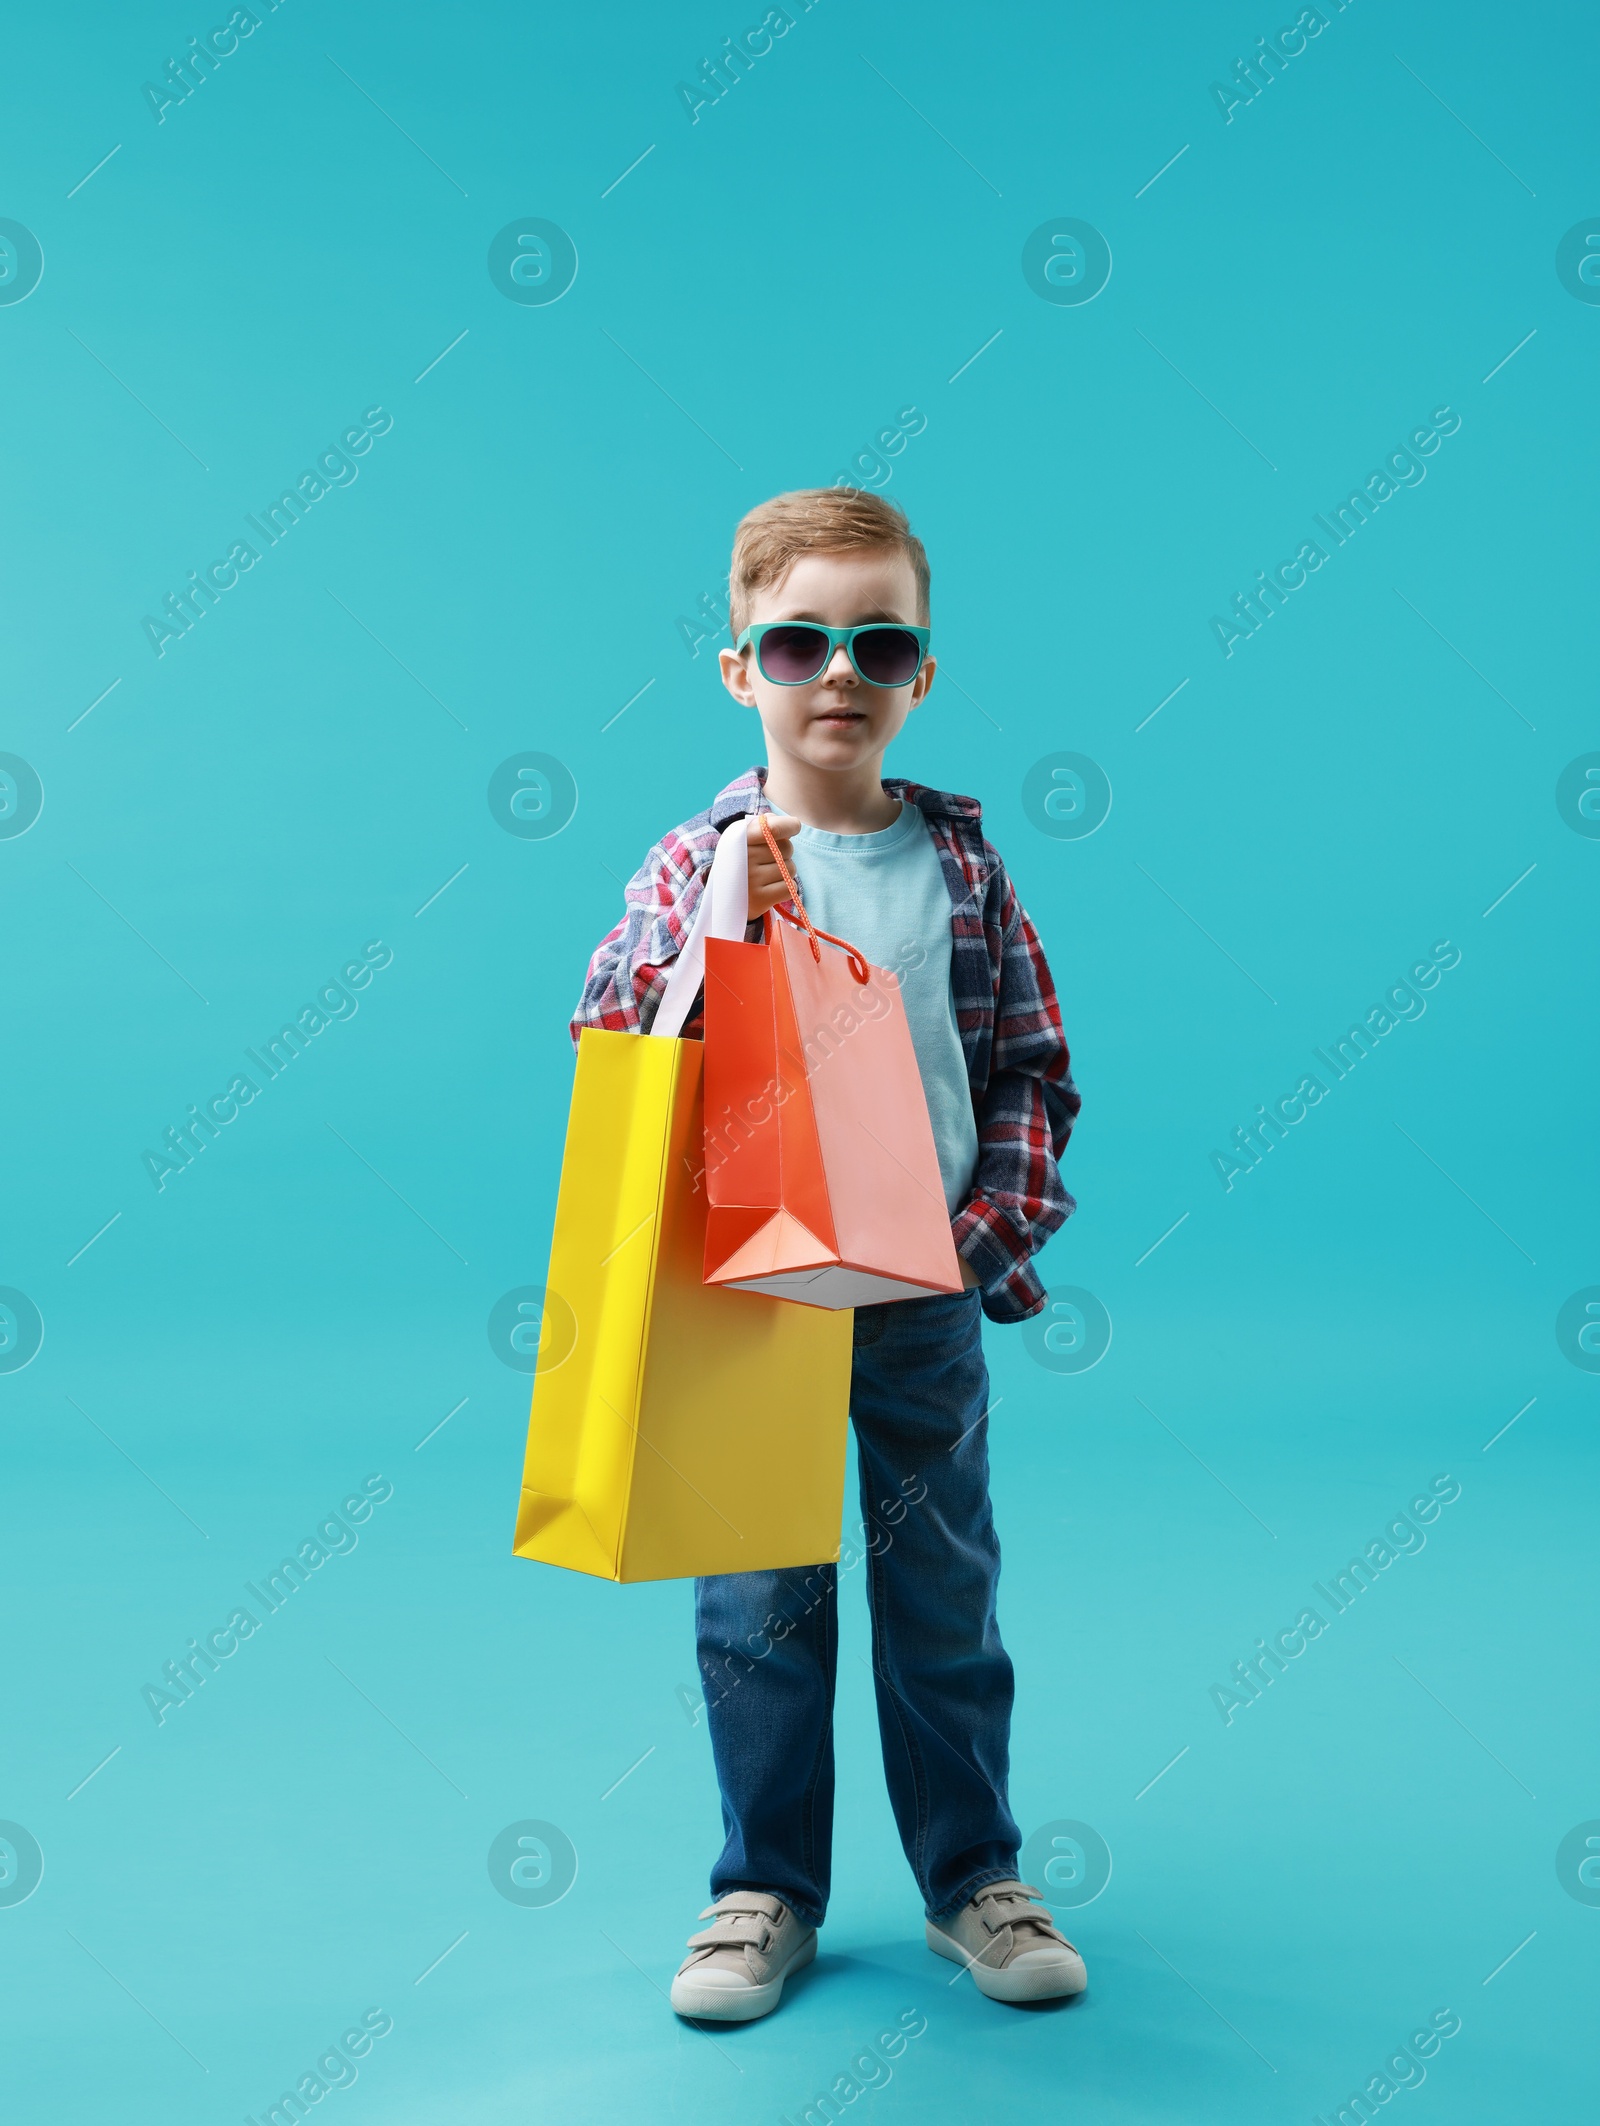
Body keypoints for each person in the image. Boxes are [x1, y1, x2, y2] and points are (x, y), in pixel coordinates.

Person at [572, 487, 1084, 2020]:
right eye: (800, 639)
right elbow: (613, 1027)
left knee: (943, 1592)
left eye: (880, 639)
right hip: (751, 1297)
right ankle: (763, 1888)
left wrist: (972, 1239)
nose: (839, 668)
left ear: (921, 669)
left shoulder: (965, 868)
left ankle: (970, 1877)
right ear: (743, 668)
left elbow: (1029, 1071)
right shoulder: (696, 857)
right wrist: (720, 922)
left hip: (918, 1291)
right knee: (757, 1611)